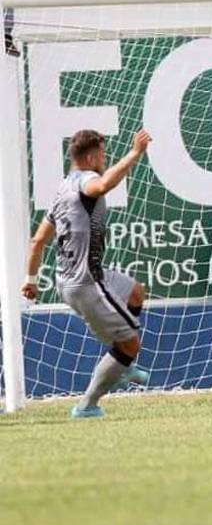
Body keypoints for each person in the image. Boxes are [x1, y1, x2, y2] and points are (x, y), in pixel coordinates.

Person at [20, 130, 154, 418]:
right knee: (130, 344)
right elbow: (103, 185)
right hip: (85, 282)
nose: (104, 160)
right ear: (92, 157)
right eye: (103, 155)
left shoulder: (61, 190)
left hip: (76, 276)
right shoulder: (87, 181)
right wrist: (135, 153)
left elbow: (37, 241)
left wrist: (30, 280)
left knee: (134, 291)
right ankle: (87, 405)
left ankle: (121, 365)